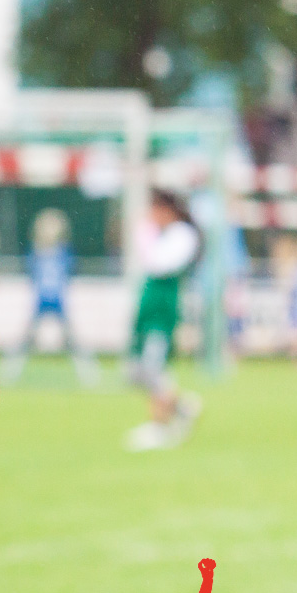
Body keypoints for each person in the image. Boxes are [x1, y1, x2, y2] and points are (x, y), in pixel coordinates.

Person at [125, 189, 202, 451]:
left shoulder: (182, 234)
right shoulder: (165, 234)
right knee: (138, 371)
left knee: (154, 367)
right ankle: (183, 406)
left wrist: (145, 237)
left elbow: (159, 264)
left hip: (163, 312)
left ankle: (159, 425)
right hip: (149, 310)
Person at [3, 207, 96, 384]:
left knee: (73, 341)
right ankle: (10, 371)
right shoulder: (36, 253)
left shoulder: (64, 253)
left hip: (59, 303)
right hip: (40, 302)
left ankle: (88, 374)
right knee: (25, 341)